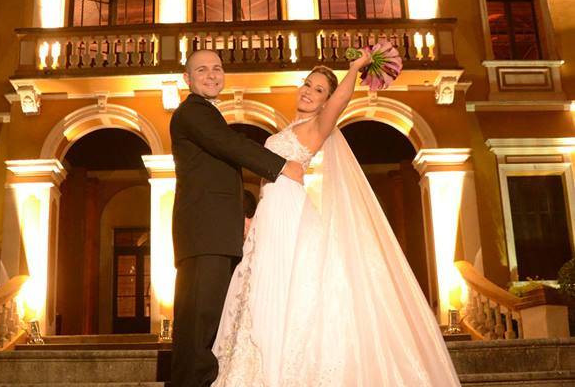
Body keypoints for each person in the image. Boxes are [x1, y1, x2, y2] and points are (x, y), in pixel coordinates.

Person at [212, 53, 462, 386]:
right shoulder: (290, 127)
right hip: (270, 211)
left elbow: (342, 99)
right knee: (261, 287)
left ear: (325, 101)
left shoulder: (317, 125)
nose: (307, 92)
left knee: (283, 287)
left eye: (317, 91)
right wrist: (254, 220)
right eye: (307, 85)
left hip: (288, 212)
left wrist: (356, 68)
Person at [169, 49, 305, 387]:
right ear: (187, 79)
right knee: (198, 325)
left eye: (217, 68)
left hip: (216, 233)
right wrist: (281, 165)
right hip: (204, 233)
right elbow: (230, 144)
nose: (212, 75)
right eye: (202, 70)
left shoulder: (206, 112)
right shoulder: (192, 113)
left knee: (209, 323)